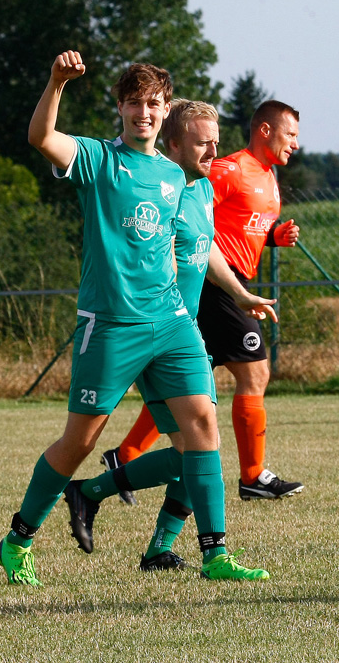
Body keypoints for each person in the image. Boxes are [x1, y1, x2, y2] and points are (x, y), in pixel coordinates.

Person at [0, 51, 270, 586]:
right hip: (112, 326)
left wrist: (238, 293)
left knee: (202, 429)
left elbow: (197, 244)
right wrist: (55, 83)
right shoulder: (99, 159)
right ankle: (18, 539)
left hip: (171, 324)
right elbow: (40, 138)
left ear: (165, 110)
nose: (144, 111)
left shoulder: (177, 177)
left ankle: (214, 553)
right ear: (119, 107)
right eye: (134, 102)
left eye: (153, 103)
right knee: (81, 443)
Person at [70, 98, 279, 571]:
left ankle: (145, 536)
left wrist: (240, 294)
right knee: (200, 446)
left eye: (216, 143)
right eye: (204, 143)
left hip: (181, 334)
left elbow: (205, 252)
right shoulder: (161, 188)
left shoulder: (202, 189)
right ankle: (204, 550)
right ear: (173, 142)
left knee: (196, 448)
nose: (213, 152)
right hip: (155, 333)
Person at [105, 100, 304, 502]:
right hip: (212, 282)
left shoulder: (267, 176)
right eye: (291, 134)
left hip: (229, 281)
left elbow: (230, 224)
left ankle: (124, 456)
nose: (296, 144)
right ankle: (252, 476)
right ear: (265, 131)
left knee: (192, 385)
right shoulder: (230, 169)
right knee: (254, 374)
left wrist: (272, 237)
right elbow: (188, 217)